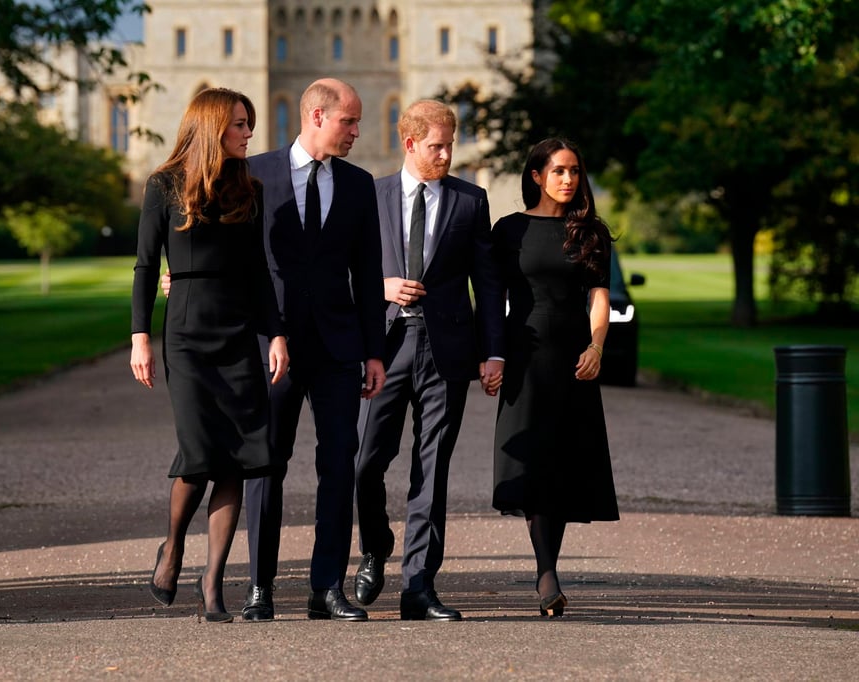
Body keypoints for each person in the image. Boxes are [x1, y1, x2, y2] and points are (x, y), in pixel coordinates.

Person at [163, 78, 386, 621]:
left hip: (338, 347)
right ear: (315, 115)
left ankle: (325, 587)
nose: (357, 131)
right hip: (269, 345)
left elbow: (369, 270)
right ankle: (259, 586)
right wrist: (182, 277)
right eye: (349, 121)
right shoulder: (251, 172)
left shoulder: (359, 185)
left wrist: (374, 352)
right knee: (265, 465)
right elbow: (203, 234)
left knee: (339, 464)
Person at [130, 88, 289, 624]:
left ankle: (213, 583)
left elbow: (260, 272)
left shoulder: (251, 188)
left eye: (250, 123)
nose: (249, 133)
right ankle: (172, 545)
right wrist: (139, 337)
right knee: (198, 455)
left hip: (238, 332)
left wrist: (277, 335)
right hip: (187, 335)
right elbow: (146, 267)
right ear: (213, 126)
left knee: (240, 461)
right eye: (241, 124)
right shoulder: (164, 185)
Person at [351, 100, 505, 621]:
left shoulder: (470, 200)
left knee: (432, 469)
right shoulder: (368, 196)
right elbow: (342, 275)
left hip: (448, 355)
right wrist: (382, 287)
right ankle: (375, 546)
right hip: (385, 349)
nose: (446, 154)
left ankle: (418, 586)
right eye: (436, 145)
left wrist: (492, 352)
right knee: (365, 463)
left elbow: (486, 281)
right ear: (410, 143)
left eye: (450, 145)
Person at [489, 137, 619, 618]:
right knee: (531, 462)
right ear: (537, 175)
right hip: (524, 357)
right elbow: (489, 299)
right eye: (559, 171)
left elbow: (599, 300)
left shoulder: (590, 233)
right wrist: (493, 355)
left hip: (573, 359)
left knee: (561, 465)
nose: (569, 179)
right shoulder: (508, 231)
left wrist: (596, 347)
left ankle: (548, 571)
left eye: (575, 172)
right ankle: (548, 576)